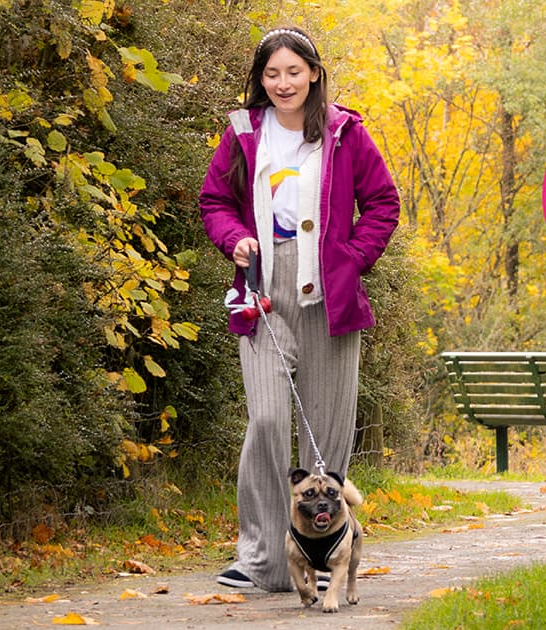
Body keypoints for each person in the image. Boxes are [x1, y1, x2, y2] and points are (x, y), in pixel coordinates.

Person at [197, 26, 400, 592]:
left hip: (329, 293)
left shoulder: (344, 133)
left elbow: (383, 202)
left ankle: (318, 556)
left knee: (324, 439)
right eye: (271, 74)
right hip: (262, 290)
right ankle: (261, 558)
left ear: (313, 73)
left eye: (293, 71)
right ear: (260, 80)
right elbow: (214, 201)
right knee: (265, 420)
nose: (283, 83)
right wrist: (233, 237)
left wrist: (353, 259)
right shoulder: (242, 133)